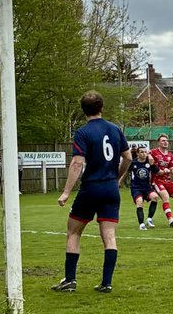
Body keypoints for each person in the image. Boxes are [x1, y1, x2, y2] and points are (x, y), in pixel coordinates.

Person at [52, 91, 132, 293]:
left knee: (73, 232)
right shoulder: (115, 129)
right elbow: (128, 158)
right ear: (101, 108)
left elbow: (77, 164)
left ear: (83, 110)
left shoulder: (83, 132)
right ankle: (106, 282)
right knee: (109, 236)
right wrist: (117, 177)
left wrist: (66, 192)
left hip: (91, 188)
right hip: (110, 190)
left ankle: (70, 280)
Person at [128, 145, 159, 229]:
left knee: (155, 197)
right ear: (137, 153)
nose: (144, 154)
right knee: (139, 201)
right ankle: (141, 224)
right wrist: (119, 180)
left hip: (147, 187)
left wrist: (152, 164)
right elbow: (125, 171)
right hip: (136, 188)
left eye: (145, 152)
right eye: (141, 152)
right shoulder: (133, 163)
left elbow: (157, 171)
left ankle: (149, 219)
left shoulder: (149, 162)